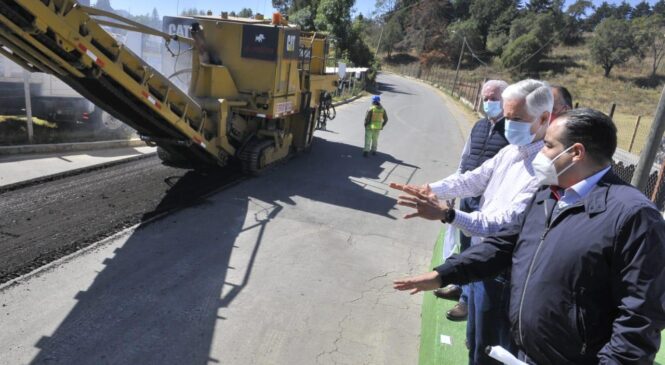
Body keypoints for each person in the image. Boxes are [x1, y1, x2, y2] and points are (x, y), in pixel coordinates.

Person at [394, 108, 665, 365]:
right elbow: (503, 245)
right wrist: (443, 274)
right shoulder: (548, 194)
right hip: (522, 351)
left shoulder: (633, 216)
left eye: (548, 145)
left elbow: (639, 317)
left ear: (576, 152)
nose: (540, 153)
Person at [391, 79, 554, 365]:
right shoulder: (511, 152)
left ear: (543, 118)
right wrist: (431, 189)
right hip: (481, 263)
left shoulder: (544, 169)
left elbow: (504, 224)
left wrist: (448, 214)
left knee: (493, 351)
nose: (508, 125)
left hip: (503, 271)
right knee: (476, 344)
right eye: (506, 117)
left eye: (517, 119)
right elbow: (473, 179)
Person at [434, 80, 510, 323]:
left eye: (493, 97)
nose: (488, 102)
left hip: (489, 203)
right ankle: (460, 287)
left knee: (480, 252)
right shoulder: (479, 126)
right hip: (468, 198)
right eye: (485, 97)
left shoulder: (512, 132)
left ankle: (467, 302)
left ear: (505, 100)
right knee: (465, 247)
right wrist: (452, 192)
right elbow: (464, 160)